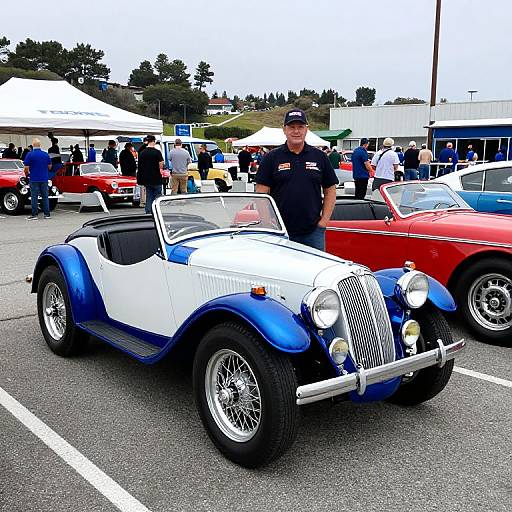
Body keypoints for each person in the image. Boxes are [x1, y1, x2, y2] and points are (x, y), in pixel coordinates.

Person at [255, 108, 338, 251]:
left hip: (313, 232)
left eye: (300, 127)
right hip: (281, 232)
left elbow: (330, 189)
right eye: (291, 127)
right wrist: (269, 223)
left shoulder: (320, 157)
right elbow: (261, 193)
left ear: (306, 129)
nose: (296, 131)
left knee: (316, 270)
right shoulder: (271, 158)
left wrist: (324, 221)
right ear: (284, 130)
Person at [24, 138, 52, 220]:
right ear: (40, 145)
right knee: (45, 196)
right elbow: (50, 166)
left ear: (33, 145)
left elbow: (26, 168)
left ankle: (34, 215)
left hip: (34, 178)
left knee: (34, 196)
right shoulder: (45, 154)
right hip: (44, 178)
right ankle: (47, 214)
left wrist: (27, 174)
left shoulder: (30, 154)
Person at [137, 135, 164, 214]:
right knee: (157, 196)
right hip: (156, 177)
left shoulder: (142, 153)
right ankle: (156, 210)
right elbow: (161, 164)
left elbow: (140, 166)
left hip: (146, 178)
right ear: (154, 141)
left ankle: (148, 210)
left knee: (149, 195)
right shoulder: (157, 152)